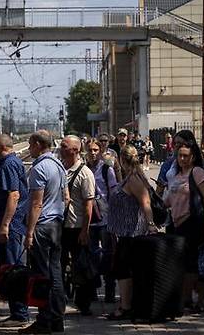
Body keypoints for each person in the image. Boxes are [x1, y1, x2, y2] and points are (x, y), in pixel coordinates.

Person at [22, 130, 68, 334]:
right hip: (56, 224)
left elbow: (36, 204)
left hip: (42, 227)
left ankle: (44, 321)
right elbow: (66, 197)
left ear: (39, 144)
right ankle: (57, 319)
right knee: (56, 273)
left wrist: (29, 232)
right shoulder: (59, 165)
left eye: (31, 144)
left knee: (41, 275)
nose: (30, 148)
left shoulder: (39, 168)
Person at [106, 145, 157, 320]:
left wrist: (151, 224)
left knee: (123, 269)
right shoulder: (129, 176)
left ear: (121, 158)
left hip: (133, 233)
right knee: (123, 269)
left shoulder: (134, 179)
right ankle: (127, 304)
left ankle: (126, 306)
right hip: (126, 232)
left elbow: (146, 202)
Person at [163, 139, 204, 312]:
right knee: (186, 263)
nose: (182, 159)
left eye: (186, 156)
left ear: (193, 157)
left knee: (193, 263)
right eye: (179, 156)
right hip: (178, 225)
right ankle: (189, 298)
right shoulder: (177, 175)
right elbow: (168, 201)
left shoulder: (197, 172)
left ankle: (195, 299)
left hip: (194, 223)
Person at [0, 134, 30, 324]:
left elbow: (14, 195)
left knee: (12, 271)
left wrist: (4, 225)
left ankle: (20, 315)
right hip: (12, 225)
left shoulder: (9, 164)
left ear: (0, 147)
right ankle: (17, 313)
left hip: (11, 227)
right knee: (10, 269)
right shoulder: (8, 162)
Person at [59, 135, 96, 316]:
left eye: (64, 146)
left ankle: (84, 302)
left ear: (74, 150)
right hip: (62, 226)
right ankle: (62, 297)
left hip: (77, 226)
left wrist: (85, 230)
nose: (60, 147)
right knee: (60, 263)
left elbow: (89, 205)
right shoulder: (62, 168)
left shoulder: (85, 173)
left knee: (81, 266)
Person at [85, 138, 118, 303]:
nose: (92, 153)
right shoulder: (83, 169)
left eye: (95, 150)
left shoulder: (107, 170)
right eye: (90, 150)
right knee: (91, 255)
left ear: (100, 151)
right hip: (90, 220)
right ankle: (92, 290)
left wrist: (114, 216)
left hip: (105, 219)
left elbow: (113, 193)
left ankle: (110, 291)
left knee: (108, 255)